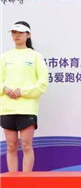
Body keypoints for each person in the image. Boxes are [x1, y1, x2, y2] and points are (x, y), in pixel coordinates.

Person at [1, 21, 48, 172]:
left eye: (20, 32)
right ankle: (12, 180)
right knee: (11, 145)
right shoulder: (5, 57)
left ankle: (26, 180)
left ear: (28, 35)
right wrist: (5, 89)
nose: (17, 35)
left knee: (26, 145)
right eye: (14, 32)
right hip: (7, 108)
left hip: (27, 108)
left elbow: (42, 84)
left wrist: (23, 92)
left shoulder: (35, 57)